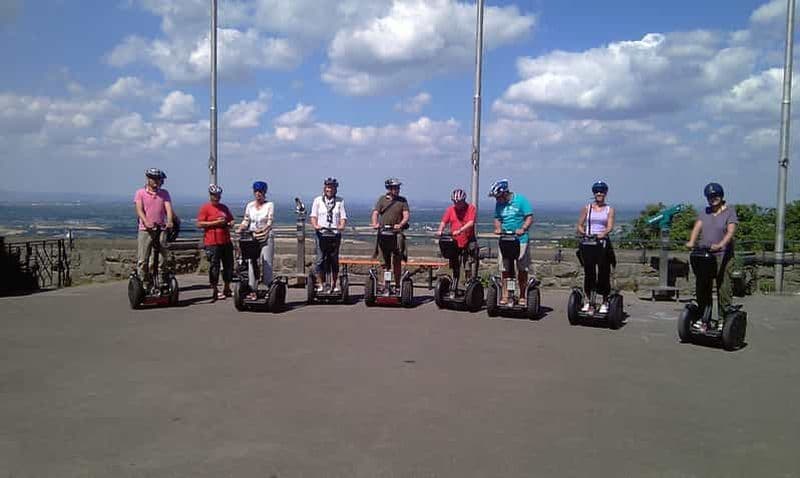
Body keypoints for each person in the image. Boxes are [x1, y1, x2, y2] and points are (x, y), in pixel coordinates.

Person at [686, 182, 738, 328]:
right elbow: (698, 226)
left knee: (723, 287)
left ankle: (723, 319)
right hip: (705, 254)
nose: (713, 198)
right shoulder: (705, 212)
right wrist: (691, 241)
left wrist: (721, 244)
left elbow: (731, 231)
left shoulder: (729, 211)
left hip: (723, 255)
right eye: (710, 196)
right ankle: (704, 318)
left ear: (721, 196)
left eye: (715, 195)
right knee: (702, 285)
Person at [489, 179, 533, 306]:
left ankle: (522, 295)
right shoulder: (499, 204)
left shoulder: (521, 200)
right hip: (505, 239)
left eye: (498, 197)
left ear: (505, 193)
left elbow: (529, 217)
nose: (497, 200)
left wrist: (523, 228)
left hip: (520, 240)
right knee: (505, 268)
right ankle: (505, 294)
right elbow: (497, 218)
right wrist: (498, 228)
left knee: (521, 268)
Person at [575, 180, 616, 314]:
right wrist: (585, 233)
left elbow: (610, 226)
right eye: (597, 192)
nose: (599, 194)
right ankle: (589, 301)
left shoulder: (609, 210)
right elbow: (580, 225)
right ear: (594, 194)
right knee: (589, 272)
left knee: (604, 272)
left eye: (602, 192)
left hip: (602, 243)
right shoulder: (587, 208)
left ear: (605, 194)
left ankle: (604, 300)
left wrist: (602, 233)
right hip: (589, 242)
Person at [134, 168, 174, 289]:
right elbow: (139, 210)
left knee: (162, 258)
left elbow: (168, 208)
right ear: (148, 179)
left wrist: (170, 220)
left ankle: (161, 280)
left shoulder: (164, 193)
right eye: (154, 179)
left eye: (158, 179)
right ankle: (144, 283)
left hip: (160, 229)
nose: (156, 181)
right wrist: (146, 222)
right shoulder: (140, 193)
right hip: (145, 230)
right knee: (143, 259)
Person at [237, 181, 275, 299]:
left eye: (261, 192)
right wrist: (241, 227)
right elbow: (246, 220)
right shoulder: (250, 206)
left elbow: (269, 222)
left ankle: (269, 287)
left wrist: (262, 230)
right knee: (251, 262)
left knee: (266, 262)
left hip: (265, 236)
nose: (258, 194)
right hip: (251, 238)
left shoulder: (269, 205)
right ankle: (252, 289)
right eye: (256, 192)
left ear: (264, 193)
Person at [197, 184, 235, 300]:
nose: (216, 197)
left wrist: (230, 223)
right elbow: (199, 224)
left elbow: (231, 219)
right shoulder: (205, 208)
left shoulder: (224, 207)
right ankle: (215, 289)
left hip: (226, 240)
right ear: (210, 195)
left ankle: (227, 288)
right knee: (215, 266)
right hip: (212, 242)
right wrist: (215, 223)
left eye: (218, 195)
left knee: (229, 265)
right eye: (214, 195)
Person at [309, 177, 348, 292]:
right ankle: (321, 284)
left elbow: (343, 217)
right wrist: (316, 225)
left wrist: (341, 226)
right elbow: (313, 216)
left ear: (335, 189)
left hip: (335, 234)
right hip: (321, 234)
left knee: (333, 259)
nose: (329, 189)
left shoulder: (340, 201)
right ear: (324, 188)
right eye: (328, 187)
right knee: (320, 259)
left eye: (332, 187)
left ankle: (334, 285)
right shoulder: (317, 200)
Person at [370, 178, 410, 288]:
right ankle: (385, 284)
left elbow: (406, 215)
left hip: (396, 234)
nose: (397, 190)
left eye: (398, 188)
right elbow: (375, 213)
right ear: (389, 188)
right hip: (383, 233)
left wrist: (400, 224)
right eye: (395, 188)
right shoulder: (382, 199)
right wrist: (375, 223)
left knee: (397, 260)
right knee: (384, 262)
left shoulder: (402, 200)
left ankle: (397, 284)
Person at [436, 188, 477, 281]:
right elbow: (444, 221)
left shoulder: (470, 208)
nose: (456, 204)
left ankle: (468, 281)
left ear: (463, 201)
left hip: (468, 239)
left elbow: (471, 222)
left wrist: (460, 230)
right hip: (455, 241)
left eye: (458, 202)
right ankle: (455, 283)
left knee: (468, 263)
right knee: (454, 263)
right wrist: (440, 230)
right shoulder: (450, 210)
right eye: (454, 202)